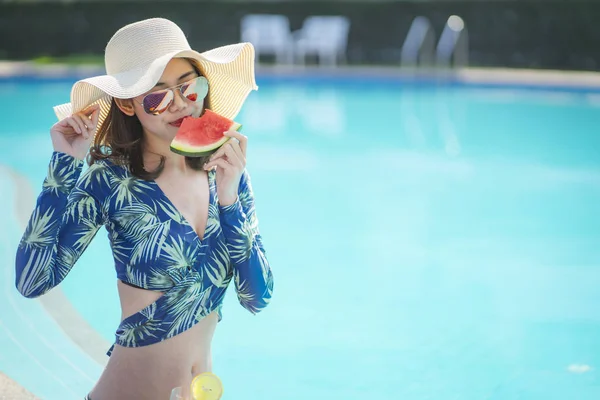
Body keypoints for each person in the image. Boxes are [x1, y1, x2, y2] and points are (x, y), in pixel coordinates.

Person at [14, 17, 274, 400]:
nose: (181, 105)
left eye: (189, 87)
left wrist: (231, 200)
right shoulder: (110, 181)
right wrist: (62, 169)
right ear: (128, 104)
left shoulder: (228, 175)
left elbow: (258, 297)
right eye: (158, 96)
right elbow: (32, 281)